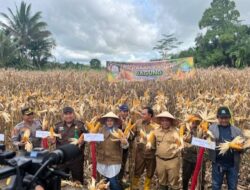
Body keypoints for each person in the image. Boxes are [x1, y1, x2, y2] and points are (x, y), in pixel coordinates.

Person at [209, 106, 243, 190]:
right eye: (221, 118)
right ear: (217, 117)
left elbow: (243, 147)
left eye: (226, 118)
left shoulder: (237, 131)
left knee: (232, 187)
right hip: (218, 164)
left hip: (232, 165)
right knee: (216, 186)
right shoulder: (211, 129)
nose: (224, 120)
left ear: (229, 118)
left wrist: (240, 148)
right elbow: (205, 141)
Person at [53, 106, 87, 184]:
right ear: (63, 115)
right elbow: (52, 139)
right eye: (66, 114)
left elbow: (89, 136)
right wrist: (51, 140)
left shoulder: (81, 125)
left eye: (70, 113)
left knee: (78, 183)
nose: (68, 116)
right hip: (62, 160)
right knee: (62, 183)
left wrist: (83, 140)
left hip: (76, 160)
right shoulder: (57, 126)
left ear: (73, 114)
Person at [96, 112, 129, 190]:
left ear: (114, 122)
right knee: (106, 182)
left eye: (111, 120)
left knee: (113, 181)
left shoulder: (118, 131)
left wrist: (124, 142)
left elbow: (125, 146)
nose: (109, 122)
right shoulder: (101, 130)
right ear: (105, 122)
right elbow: (95, 141)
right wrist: (85, 137)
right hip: (103, 159)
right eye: (108, 120)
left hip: (114, 160)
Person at [153, 111, 181, 190]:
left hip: (173, 160)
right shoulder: (156, 131)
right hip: (160, 160)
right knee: (162, 182)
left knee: (174, 182)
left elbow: (186, 140)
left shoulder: (177, 131)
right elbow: (150, 142)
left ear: (171, 121)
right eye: (163, 120)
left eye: (167, 120)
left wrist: (205, 141)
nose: (165, 122)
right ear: (160, 121)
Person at [131, 107, 157, 190]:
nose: (141, 115)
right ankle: (134, 186)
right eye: (141, 113)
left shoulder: (156, 126)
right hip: (140, 152)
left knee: (150, 171)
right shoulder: (138, 123)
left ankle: (146, 187)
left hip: (152, 153)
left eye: (144, 114)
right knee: (137, 170)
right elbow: (132, 134)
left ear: (150, 115)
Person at [182, 114, 205, 190]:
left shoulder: (202, 130)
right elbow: (184, 138)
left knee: (199, 179)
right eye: (193, 122)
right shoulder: (185, 130)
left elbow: (207, 142)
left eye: (197, 122)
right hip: (187, 158)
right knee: (185, 178)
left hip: (199, 159)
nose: (195, 124)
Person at [117, 104, 131, 186]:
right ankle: (114, 181)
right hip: (116, 147)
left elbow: (133, 135)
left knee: (123, 163)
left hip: (125, 147)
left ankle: (120, 180)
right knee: (116, 164)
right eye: (123, 111)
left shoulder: (129, 121)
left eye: (126, 111)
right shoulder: (116, 120)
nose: (125, 113)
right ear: (120, 112)